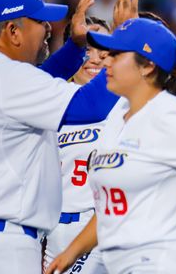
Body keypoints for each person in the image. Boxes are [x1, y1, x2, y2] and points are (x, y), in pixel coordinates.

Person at [0, 0, 130, 274]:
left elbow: (33, 86)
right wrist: (123, 47)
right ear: (13, 31)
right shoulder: (7, 78)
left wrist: (75, 47)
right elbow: (91, 106)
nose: (48, 28)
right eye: (39, 20)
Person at [45, 18, 176, 274]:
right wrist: (71, 253)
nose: (106, 62)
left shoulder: (170, 115)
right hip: (121, 260)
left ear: (148, 66)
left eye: (116, 55)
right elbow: (113, 206)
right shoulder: (118, 116)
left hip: (163, 260)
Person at [43, 16, 112, 274]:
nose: (95, 59)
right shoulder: (44, 102)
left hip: (102, 223)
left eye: (104, 52)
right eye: (86, 50)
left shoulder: (124, 103)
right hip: (51, 229)